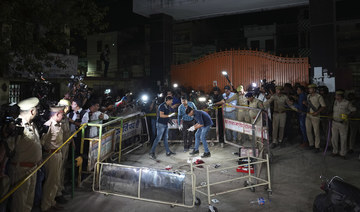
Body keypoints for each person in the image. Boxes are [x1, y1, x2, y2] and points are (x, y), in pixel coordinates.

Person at [7, 97, 41, 212]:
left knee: (28, 201)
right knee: (20, 202)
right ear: (32, 111)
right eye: (36, 110)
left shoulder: (32, 125)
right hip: (21, 169)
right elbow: (9, 149)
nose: (37, 112)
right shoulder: (16, 127)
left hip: (32, 168)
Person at [41, 106, 65, 212]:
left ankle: (52, 202)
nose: (63, 116)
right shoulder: (48, 125)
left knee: (55, 180)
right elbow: (41, 143)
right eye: (62, 114)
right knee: (50, 181)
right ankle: (46, 205)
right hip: (51, 156)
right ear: (56, 114)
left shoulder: (59, 125)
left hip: (58, 154)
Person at [331, 89, 356, 159]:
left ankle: (342, 153)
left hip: (343, 123)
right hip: (334, 122)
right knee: (334, 138)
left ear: (340, 96)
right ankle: (335, 151)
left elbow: (353, 110)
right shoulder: (335, 102)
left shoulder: (347, 103)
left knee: (343, 139)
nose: (335, 97)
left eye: (336, 95)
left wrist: (348, 117)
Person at [56, 99, 72, 203]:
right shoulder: (58, 118)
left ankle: (60, 188)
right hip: (59, 147)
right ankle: (57, 193)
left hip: (65, 146)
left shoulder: (65, 117)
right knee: (57, 172)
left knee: (62, 170)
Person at [303, 84, 326, 153]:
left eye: (310, 89)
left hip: (315, 116)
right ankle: (311, 144)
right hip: (308, 115)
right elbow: (309, 106)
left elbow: (323, 106)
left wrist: (317, 112)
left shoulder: (319, 97)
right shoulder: (308, 96)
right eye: (309, 88)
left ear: (314, 89)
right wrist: (305, 104)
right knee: (308, 130)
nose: (309, 90)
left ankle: (317, 146)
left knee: (316, 132)